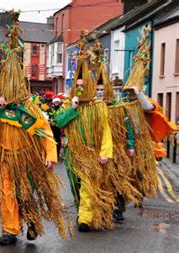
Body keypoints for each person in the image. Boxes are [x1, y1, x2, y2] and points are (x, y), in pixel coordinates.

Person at [0, 12, 72, 246]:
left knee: (24, 195)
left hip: (26, 160)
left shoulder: (31, 109)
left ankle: (31, 222)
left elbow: (46, 135)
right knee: (6, 194)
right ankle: (10, 230)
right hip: (4, 160)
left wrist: (51, 156)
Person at [56, 30, 115, 232]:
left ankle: (84, 218)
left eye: (83, 86)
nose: (80, 89)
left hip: (91, 153)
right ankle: (82, 209)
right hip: (74, 153)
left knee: (88, 187)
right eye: (77, 86)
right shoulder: (68, 104)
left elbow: (105, 130)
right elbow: (59, 122)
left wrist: (105, 153)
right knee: (76, 185)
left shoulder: (97, 106)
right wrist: (72, 109)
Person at [121, 25, 176, 202]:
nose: (130, 96)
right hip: (126, 144)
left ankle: (138, 192)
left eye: (132, 93)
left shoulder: (147, 103)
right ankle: (124, 199)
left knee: (140, 172)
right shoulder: (123, 105)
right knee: (124, 174)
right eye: (129, 93)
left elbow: (148, 108)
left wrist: (139, 94)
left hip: (143, 142)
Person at [93, 40, 141, 222]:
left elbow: (128, 127)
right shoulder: (93, 108)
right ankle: (102, 207)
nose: (99, 93)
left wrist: (130, 145)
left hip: (118, 149)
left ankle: (118, 208)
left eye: (101, 90)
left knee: (118, 179)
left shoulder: (118, 107)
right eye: (97, 90)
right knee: (101, 181)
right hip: (99, 150)